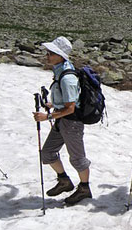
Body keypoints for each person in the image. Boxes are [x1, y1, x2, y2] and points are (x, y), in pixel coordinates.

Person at [32, 36, 92, 205]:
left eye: (51, 53)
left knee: (77, 158)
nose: (47, 56)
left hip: (72, 123)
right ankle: (64, 181)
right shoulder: (61, 71)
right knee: (47, 153)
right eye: (48, 53)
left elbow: (71, 107)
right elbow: (67, 102)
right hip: (62, 120)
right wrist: (53, 104)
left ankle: (85, 188)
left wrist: (47, 117)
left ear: (61, 56)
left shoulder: (67, 77)